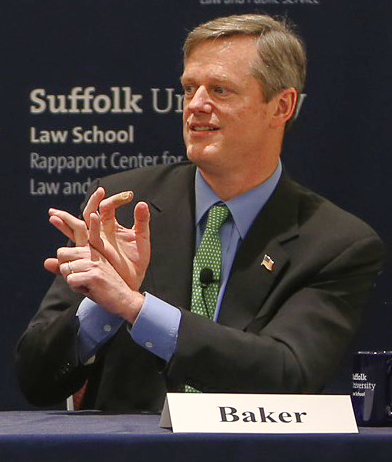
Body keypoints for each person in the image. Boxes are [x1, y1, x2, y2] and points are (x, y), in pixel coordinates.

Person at [16, 14, 384, 412]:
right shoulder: (119, 206)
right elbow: (35, 380)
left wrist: (135, 307)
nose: (196, 105)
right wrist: (102, 305)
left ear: (281, 106)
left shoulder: (336, 243)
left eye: (220, 90)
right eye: (189, 88)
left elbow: (288, 373)